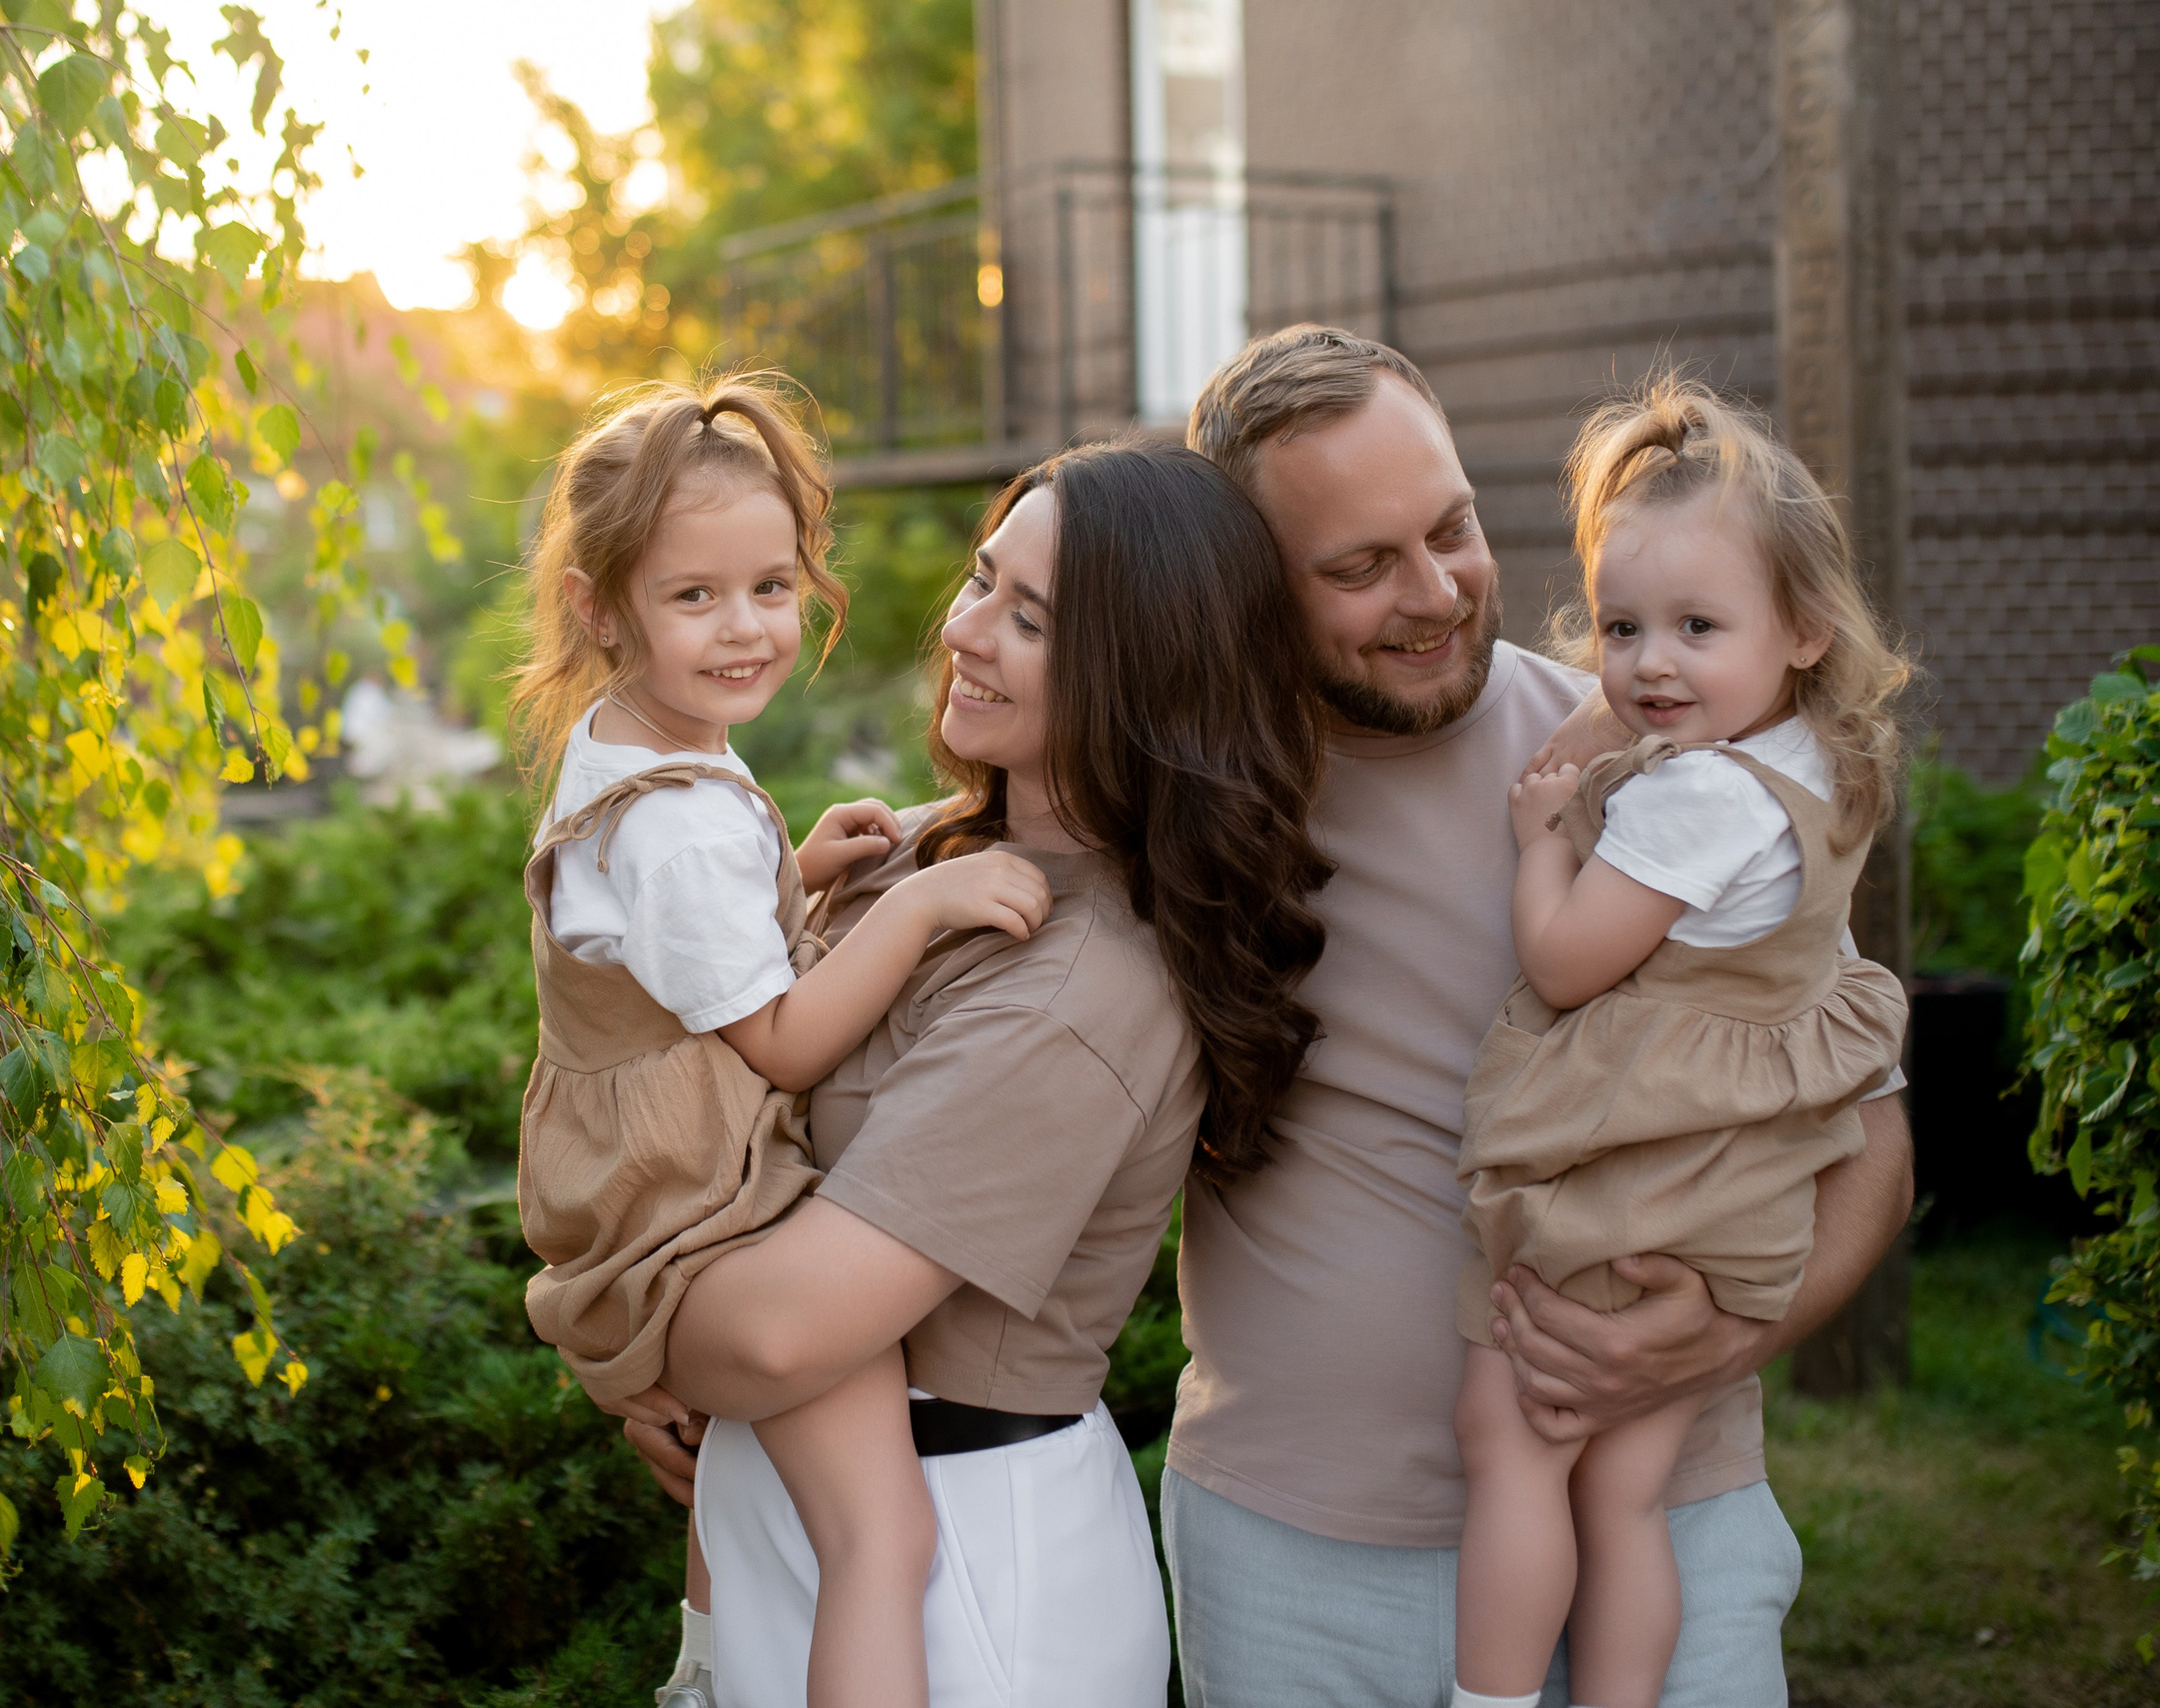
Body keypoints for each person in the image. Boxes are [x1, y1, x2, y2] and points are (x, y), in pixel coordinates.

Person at [1162, 326, 1914, 1708]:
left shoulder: (1660, 758)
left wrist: (1729, 1335)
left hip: (1666, 1524)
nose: (1435, 591)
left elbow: (1866, 1123)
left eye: (1450, 527)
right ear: (1249, 586)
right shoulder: (1183, 799)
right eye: (1358, 565)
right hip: (1295, 1561)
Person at [618, 439, 1333, 1707]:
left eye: (1031, 616)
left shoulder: (1076, 984)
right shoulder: (927, 859)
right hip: (807, 1526)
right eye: (982, 580)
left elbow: (785, 1333)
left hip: (967, 1580)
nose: (964, 629)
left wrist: (626, 1329)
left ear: (1142, 672)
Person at [508, 375, 1056, 1708]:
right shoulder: (683, 822)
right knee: (882, 1536)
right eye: (694, 597)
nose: (746, 628)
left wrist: (794, 877)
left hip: (642, 1192)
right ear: (601, 607)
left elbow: (674, 962)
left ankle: (704, 1665)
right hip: (702, 1214)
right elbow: (787, 1042)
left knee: (747, 1490)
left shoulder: (643, 747)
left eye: (771, 585)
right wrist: (919, 906)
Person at [1448, 377, 1913, 1708]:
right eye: (1620, 626)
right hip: (1734, 1201)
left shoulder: (1697, 802)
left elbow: (1568, 958)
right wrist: (1635, 704)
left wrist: (1541, 844)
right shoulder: (1803, 762)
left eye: (1695, 627)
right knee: (1628, 1491)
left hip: (1631, 1177)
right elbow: (1655, 704)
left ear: (1804, 627)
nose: (1651, 664)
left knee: (1514, 1437)